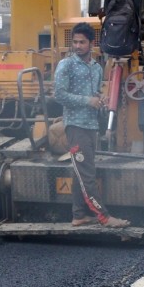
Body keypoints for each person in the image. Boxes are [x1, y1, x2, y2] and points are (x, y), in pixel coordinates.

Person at [53, 22, 131, 227]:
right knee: (87, 173)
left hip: (91, 125)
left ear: (91, 43)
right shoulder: (66, 65)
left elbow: (95, 93)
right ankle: (104, 217)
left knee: (82, 170)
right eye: (75, 42)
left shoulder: (96, 68)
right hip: (75, 126)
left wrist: (100, 99)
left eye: (82, 42)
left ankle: (78, 215)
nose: (77, 46)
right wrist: (88, 101)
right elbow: (59, 95)